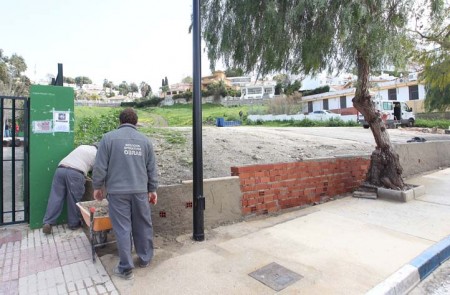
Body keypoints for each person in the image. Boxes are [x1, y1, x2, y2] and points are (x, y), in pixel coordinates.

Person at [92, 108, 158, 280]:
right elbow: (151, 168)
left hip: (117, 192)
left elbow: (100, 166)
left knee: (122, 228)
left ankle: (126, 268)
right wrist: (152, 189)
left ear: (120, 121)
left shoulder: (108, 138)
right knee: (143, 225)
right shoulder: (145, 141)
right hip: (140, 191)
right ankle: (145, 259)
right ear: (136, 122)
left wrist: (98, 186)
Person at [42, 144, 98, 234]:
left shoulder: (82, 147)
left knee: (55, 197)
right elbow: (98, 171)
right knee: (74, 200)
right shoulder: (97, 153)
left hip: (60, 170)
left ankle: (48, 222)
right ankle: (73, 224)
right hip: (75, 173)